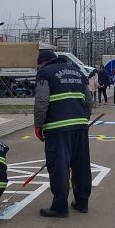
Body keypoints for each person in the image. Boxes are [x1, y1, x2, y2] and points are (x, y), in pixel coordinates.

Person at [34, 50, 93, 217]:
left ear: (43, 63)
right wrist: (84, 119)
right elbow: (88, 100)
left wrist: (38, 124)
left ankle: (59, 207)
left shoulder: (44, 73)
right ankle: (82, 203)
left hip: (58, 128)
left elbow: (41, 101)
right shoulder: (77, 72)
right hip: (80, 126)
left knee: (59, 166)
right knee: (81, 165)